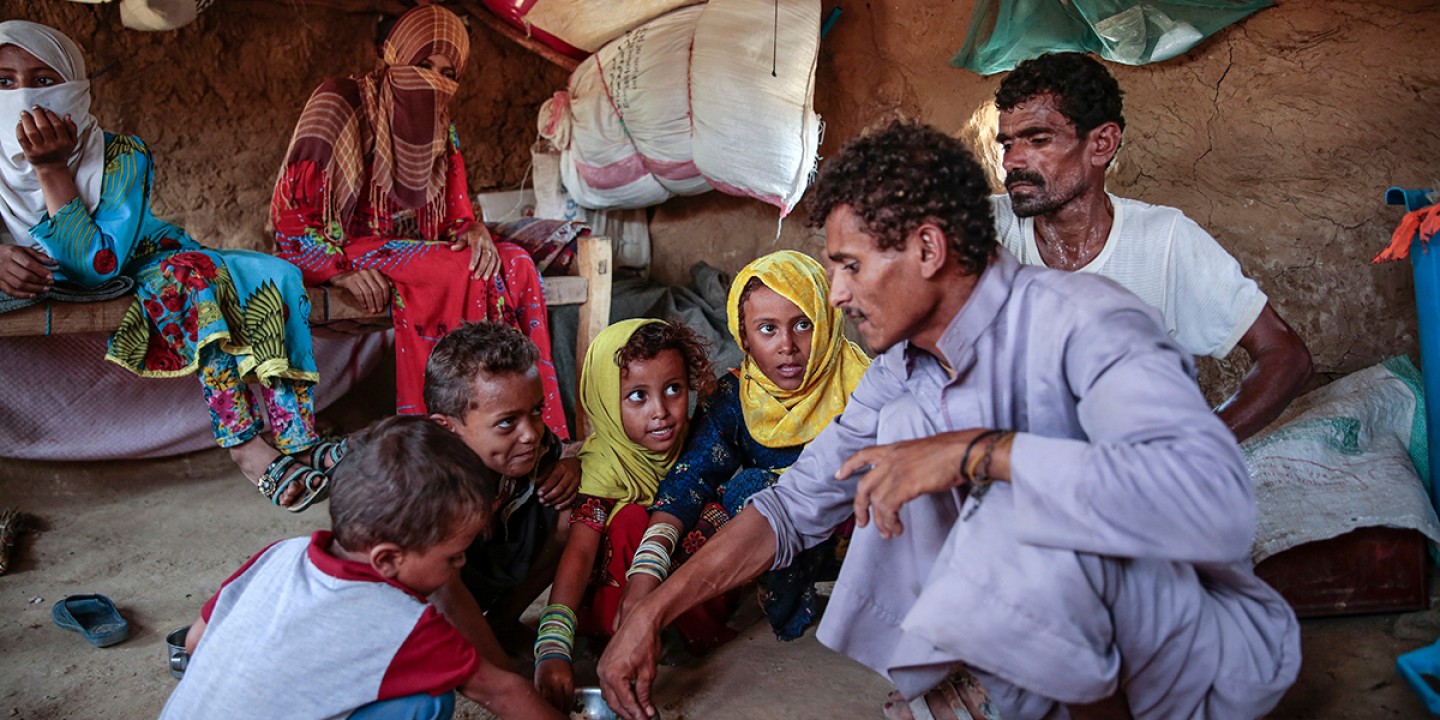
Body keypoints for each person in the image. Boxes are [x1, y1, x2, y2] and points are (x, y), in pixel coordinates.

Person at [597, 121, 1300, 720]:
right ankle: (985, 686)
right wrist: (650, 612)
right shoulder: (900, 373)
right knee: (893, 452)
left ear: (928, 251)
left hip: (1195, 668)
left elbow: (1211, 500)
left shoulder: (1084, 323)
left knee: (977, 482)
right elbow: (789, 509)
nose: (836, 295)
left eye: (849, 266)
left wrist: (977, 452)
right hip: (1061, 663)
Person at [0, 20, 336, 510]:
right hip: (153, 271)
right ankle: (245, 445)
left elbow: (100, 264)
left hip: (146, 259)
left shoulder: (121, 155)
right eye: (3, 82)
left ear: (75, 87)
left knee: (276, 274)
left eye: (44, 80)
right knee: (198, 276)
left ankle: (298, 436)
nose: (24, 96)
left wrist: (52, 169)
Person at [270, 5, 567, 440]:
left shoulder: (442, 128)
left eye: (448, 73)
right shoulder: (339, 99)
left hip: (414, 248)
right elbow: (291, 215)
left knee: (517, 263)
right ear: (391, 57)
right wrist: (340, 273)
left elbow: (456, 215)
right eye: (422, 64)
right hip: (343, 246)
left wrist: (472, 230)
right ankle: (449, 432)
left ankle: (536, 432)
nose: (433, 80)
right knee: (453, 269)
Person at [990, 51, 1312, 442]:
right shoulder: (978, 228)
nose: (1012, 161)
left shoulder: (1164, 240)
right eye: (1007, 144)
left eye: (1038, 140)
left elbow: (1285, 355)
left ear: (1102, 144)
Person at [159, 416, 564, 720]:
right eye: (453, 557)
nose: (459, 566)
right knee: (426, 701)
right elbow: (502, 693)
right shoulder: (405, 624)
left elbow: (195, 642)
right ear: (387, 560)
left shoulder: (280, 554)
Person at [614, 250, 870, 642]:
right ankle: (784, 602)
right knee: (740, 491)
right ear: (744, 336)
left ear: (828, 320)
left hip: (859, 537)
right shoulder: (737, 395)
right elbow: (692, 476)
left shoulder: (863, 386)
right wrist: (644, 581)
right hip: (774, 536)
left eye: (803, 324)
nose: (787, 345)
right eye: (767, 329)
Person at [533, 318, 724, 711]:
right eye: (638, 396)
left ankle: (687, 629)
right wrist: (552, 648)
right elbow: (579, 556)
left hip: (682, 592)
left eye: (673, 389)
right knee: (632, 521)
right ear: (604, 397)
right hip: (618, 601)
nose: (661, 412)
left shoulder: (701, 442)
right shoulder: (604, 464)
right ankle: (619, 634)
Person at [425, 321, 581, 650]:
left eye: (536, 411)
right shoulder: (425, 486)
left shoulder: (540, 450)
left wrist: (572, 465)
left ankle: (501, 621)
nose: (531, 434)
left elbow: (560, 452)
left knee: (578, 512)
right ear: (447, 429)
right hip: (434, 600)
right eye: (507, 422)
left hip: (496, 566)